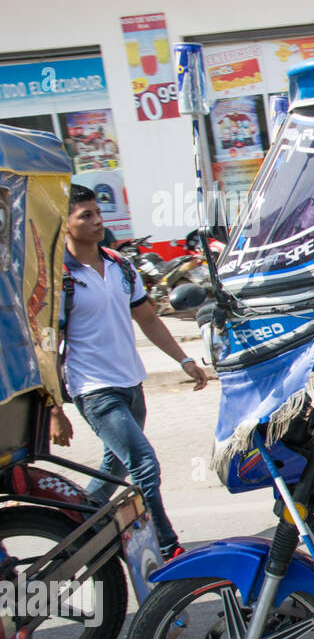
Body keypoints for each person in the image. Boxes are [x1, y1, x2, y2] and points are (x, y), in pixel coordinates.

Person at [50, 185, 208, 558]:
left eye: (97, 213)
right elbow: (50, 345)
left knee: (115, 464)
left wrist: (184, 360)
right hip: (93, 389)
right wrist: (55, 407)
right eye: (85, 215)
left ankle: (75, 526)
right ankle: (169, 548)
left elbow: (148, 319)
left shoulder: (121, 265)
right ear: (66, 224)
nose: (97, 221)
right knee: (144, 465)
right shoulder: (61, 279)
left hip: (131, 382)